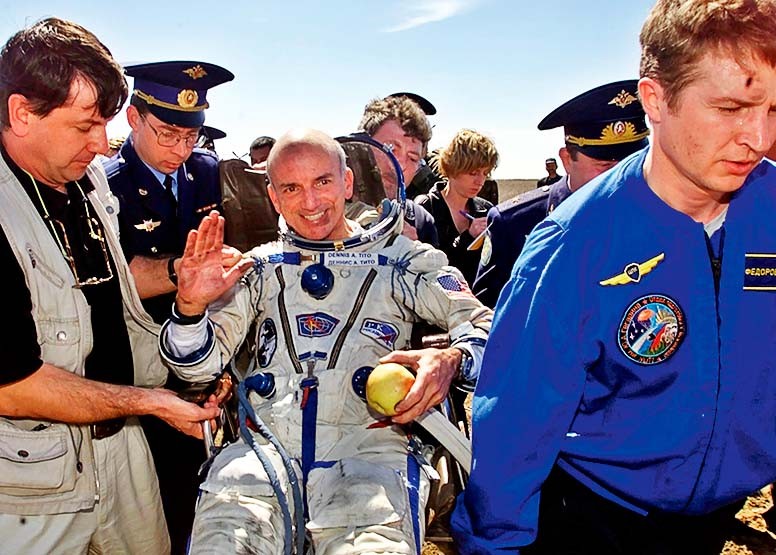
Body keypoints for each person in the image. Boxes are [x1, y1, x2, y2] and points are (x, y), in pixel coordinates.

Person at [452, 1, 776, 553]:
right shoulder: (574, 243)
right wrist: (494, 544)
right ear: (656, 100)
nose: (759, 137)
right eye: (730, 108)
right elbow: (517, 423)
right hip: (597, 520)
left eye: (773, 109)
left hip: (716, 519)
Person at [160, 129, 492, 553]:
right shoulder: (258, 269)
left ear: (347, 182)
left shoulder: (400, 260)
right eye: (292, 188)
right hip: (261, 458)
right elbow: (196, 367)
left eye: (322, 182)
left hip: (368, 455)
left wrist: (452, 358)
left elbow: (486, 327)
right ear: (274, 197)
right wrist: (189, 307)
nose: (311, 202)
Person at [0, 17, 219, 554]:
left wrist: (180, 276)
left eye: (105, 124)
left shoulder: (85, 180)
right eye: (85, 126)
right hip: (32, 479)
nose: (103, 145)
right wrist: (151, 402)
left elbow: (106, 285)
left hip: (120, 449)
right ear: (22, 112)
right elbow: (12, 385)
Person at [105, 60, 235, 553]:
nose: (180, 150)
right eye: (167, 135)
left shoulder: (205, 172)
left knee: (205, 497)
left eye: (190, 137)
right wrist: (184, 271)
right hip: (142, 374)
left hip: (202, 363)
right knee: (153, 507)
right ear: (133, 119)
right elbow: (113, 285)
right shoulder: (106, 187)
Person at [472, 79, 649, 308]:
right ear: (567, 160)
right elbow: (487, 317)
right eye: (605, 166)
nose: (621, 176)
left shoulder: (663, 216)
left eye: (633, 162)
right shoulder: (515, 224)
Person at [416, 129, 499, 285]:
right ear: (453, 168)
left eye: (485, 173)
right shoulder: (425, 209)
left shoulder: (486, 210)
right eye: (473, 173)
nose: (480, 181)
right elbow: (422, 268)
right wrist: (468, 238)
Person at [356, 95, 440, 246]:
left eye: (413, 158)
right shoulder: (321, 206)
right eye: (390, 149)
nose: (400, 165)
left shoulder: (421, 221)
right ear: (361, 146)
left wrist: (412, 253)